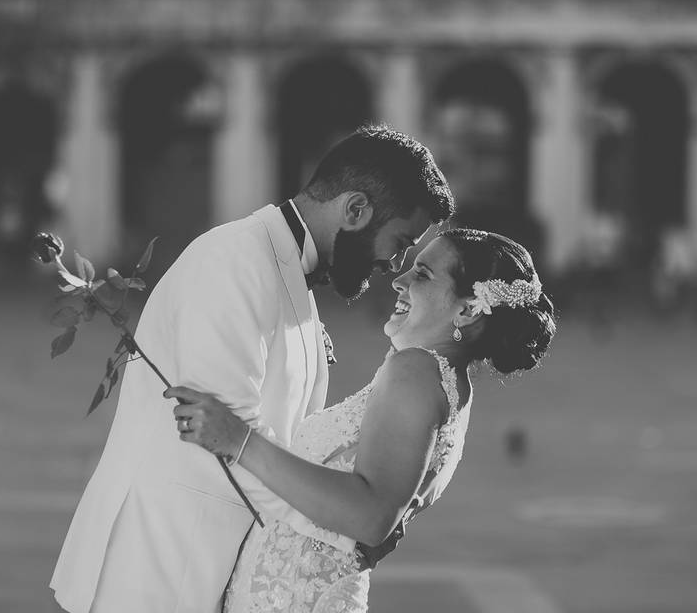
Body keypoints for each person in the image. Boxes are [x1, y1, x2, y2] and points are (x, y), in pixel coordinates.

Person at [50, 124, 455, 613]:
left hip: (212, 567)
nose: (395, 263)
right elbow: (222, 442)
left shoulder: (287, 268)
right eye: (402, 240)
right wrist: (347, 528)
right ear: (355, 210)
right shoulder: (234, 263)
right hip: (158, 568)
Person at [169, 228, 557, 612]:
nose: (399, 280)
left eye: (422, 274)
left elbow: (371, 518)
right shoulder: (448, 384)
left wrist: (238, 439)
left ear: (469, 309)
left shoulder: (415, 372)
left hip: (293, 597)